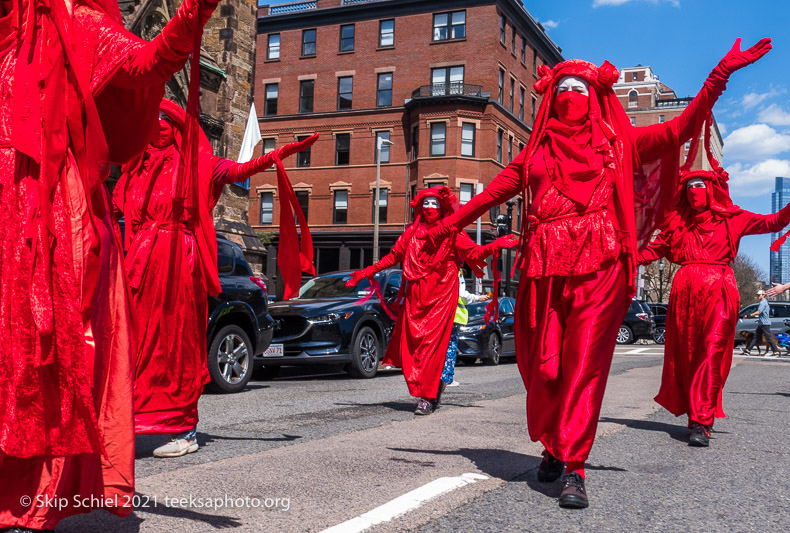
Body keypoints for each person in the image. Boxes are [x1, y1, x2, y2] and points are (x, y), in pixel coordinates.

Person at [429, 39, 771, 508]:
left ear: (595, 95)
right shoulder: (535, 154)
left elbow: (679, 130)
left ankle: (573, 466)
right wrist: (444, 224)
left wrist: (719, 76)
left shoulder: (621, 143)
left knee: (583, 365)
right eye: (564, 86)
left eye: (581, 87)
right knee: (544, 367)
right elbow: (488, 197)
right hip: (545, 269)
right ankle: (553, 444)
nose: (572, 94)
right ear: (552, 97)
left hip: (600, 269)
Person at [0, 0, 223, 529]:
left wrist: (194, 13)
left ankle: (31, 502)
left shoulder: (73, 21)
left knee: (41, 355)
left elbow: (146, 64)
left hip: (45, 204)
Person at [113, 100, 317, 457]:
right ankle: (127, 420)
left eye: (165, 119)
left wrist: (279, 153)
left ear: (176, 127)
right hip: (140, 262)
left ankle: (184, 430)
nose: (156, 125)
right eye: (152, 118)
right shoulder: (135, 168)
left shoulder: (198, 164)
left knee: (177, 345)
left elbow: (240, 171)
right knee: (134, 343)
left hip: (178, 258)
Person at [639, 140, 790, 447]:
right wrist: (615, 254)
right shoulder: (679, 224)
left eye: (700, 185)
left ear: (712, 189)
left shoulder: (733, 218)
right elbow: (649, 252)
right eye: (690, 186)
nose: (694, 191)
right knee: (688, 353)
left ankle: (702, 419)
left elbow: (774, 222)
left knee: (711, 351)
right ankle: (694, 413)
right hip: (685, 291)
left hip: (720, 290)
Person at [346, 186, 516, 416]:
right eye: (426, 203)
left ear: (443, 206)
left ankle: (427, 396)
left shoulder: (452, 231)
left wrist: (496, 245)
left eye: (435, 203)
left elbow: (474, 254)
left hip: (442, 296)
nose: (429, 208)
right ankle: (432, 388)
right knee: (414, 349)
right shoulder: (412, 232)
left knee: (432, 348)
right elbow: (393, 256)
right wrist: (368, 271)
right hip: (416, 297)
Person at [442, 272, 491, 389]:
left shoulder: (446, 270)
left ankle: (440, 377)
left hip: (445, 314)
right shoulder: (457, 272)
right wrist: (477, 297)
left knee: (444, 347)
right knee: (451, 348)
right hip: (455, 316)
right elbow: (461, 294)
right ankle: (447, 378)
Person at [742, 290, 780, 358]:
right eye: (758, 295)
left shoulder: (763, 302)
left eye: (759, 295)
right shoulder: (765, 302)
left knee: (769, 338)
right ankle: (748, 350)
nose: (758, 296)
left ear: (763, 295)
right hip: (762, 323)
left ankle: (775, 351)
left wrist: (749, 315)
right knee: (756, 337)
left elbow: (758, 312)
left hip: (764, 323)